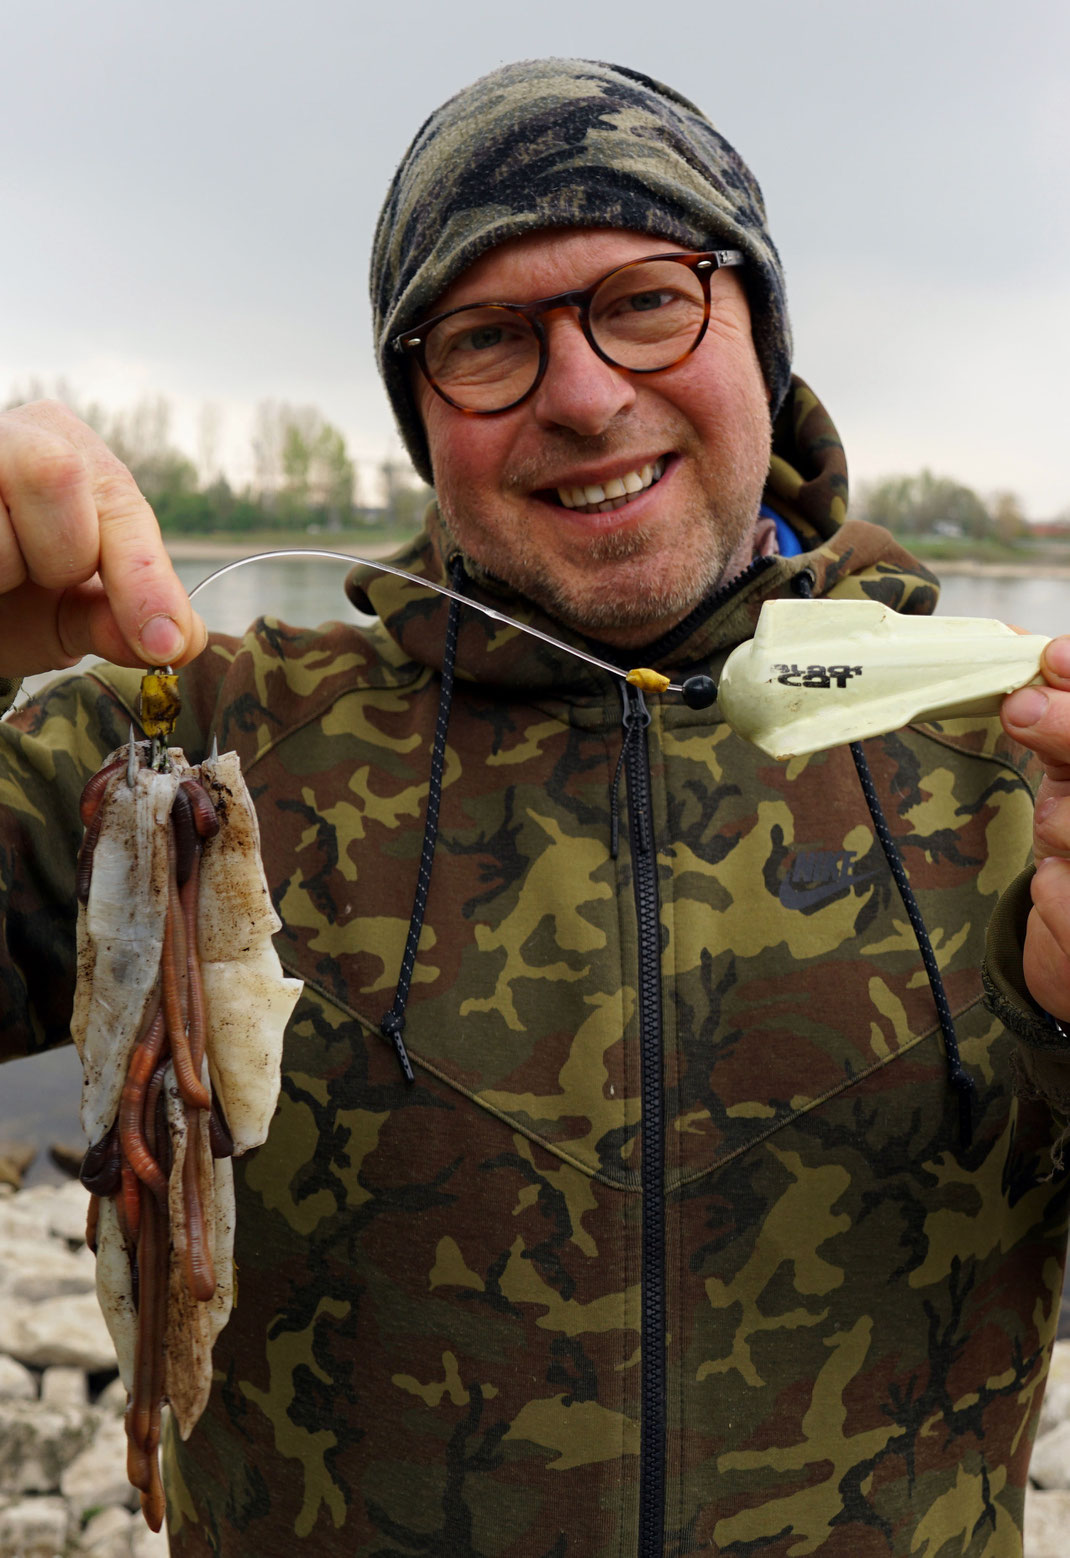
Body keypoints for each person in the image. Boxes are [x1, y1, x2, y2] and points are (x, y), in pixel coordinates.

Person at [2, 56, 1070, 1558]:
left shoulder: (1015, 740)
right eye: (487, 339)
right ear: (418, 410)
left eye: (646, 299)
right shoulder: (190, 755)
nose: (581, 392)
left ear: (760, 333)